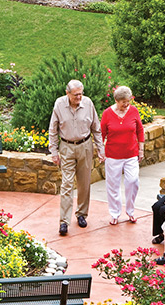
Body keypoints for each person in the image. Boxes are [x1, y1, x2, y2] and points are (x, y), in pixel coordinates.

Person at [49, 79, 106, 236]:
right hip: (66, 147)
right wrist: (53, 151)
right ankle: (64, 221)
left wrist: (101, 149)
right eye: (75, 95)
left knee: (84, 183)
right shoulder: (59, 104)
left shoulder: (88, 103)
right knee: (67, 184)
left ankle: (81, 214)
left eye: (81, 94)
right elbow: (53, 129)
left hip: (85, 146)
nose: (79, 97)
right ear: (67, 93)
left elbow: (96, 128)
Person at [100, 85, 145, 225]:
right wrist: (100, 151)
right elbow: (101, 133)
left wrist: (141, 149)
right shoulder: (107, 113)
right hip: (113, 155)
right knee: (113, 186)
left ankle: (130, 211)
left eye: (128, 101)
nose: (126, 105)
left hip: (131, 153)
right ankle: (114, 213)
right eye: (123, 102)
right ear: (116, 100)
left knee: (133, 181)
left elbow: (140, 130)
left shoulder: (133, 111)